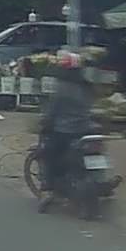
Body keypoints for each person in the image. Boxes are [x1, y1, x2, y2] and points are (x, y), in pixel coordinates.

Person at [38, 50, 93, 195]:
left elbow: (53, 110)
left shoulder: (61, 87)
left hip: (65, 130)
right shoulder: (86, 86)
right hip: (85, 128)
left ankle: (49, 184)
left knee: (49, 153)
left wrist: (45, 122)